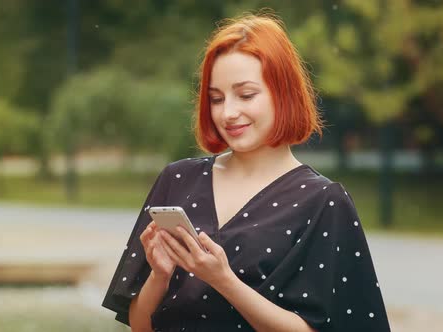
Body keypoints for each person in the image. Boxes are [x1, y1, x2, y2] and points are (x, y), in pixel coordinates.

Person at [102, 13, 391, 332]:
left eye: (246, 95)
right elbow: (140, 327)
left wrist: (224, 281)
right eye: (216, 98)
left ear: (284, 92)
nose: (228, 113)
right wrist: (159, 275)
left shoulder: (323, 202)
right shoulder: (177, 180)